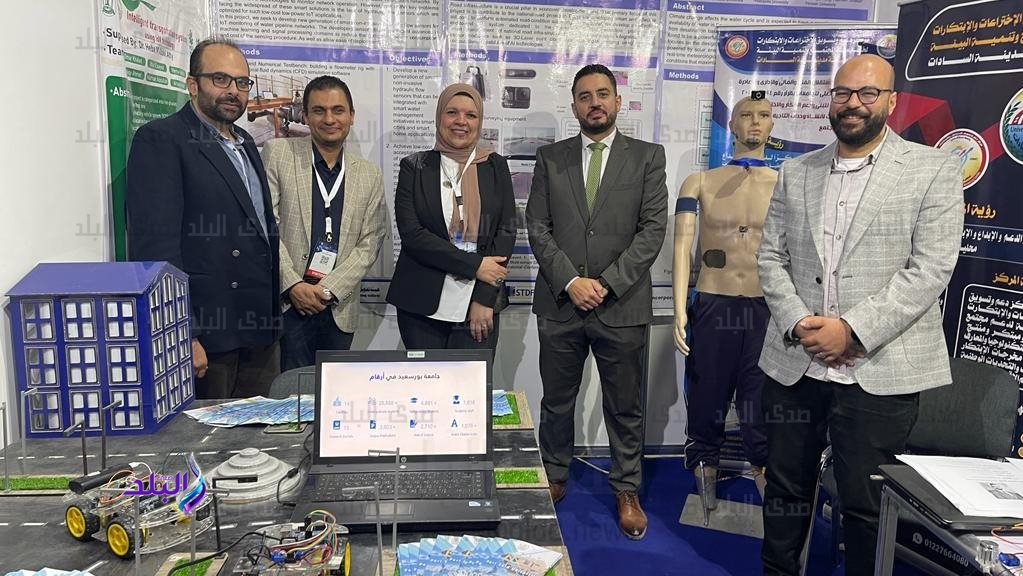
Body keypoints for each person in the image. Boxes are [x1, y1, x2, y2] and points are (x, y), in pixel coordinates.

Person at [756, 54, 964, 575]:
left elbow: (931, 268)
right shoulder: (796, 171)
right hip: (796, 361)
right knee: (784, 488)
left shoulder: (933, 169)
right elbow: (771, 257)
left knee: (866, 503)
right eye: (843, 92)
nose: (853, 103)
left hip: (880, 368)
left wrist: (852, 331)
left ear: (891, 102)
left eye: (868, 93)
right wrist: (799, 322)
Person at [526, 64, 668, 540]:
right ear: (574, 106)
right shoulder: (550, 158)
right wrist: (570, 280)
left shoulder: (647, 157)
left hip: (621, 305)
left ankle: (626, 487)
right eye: (585, 96)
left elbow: (652, 231)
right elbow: (537, 227)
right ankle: (554, 472)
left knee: (625, 406)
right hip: (560, 303)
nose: (595, 103)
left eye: (602, 94)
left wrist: (605, 283)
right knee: (556, 401)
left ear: (617, 101)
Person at [126, 38, 280, 399]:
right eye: (220, 79)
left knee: (260, 431)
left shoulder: (245, 142)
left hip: (259, 329)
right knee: (207, 432)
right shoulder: (162, 139)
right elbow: (155, 249)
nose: (233, 91)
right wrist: (184, 332)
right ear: (192, 84)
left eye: (242, 82)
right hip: (208, 337)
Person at [672, 95, 775, 513]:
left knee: (759, 401)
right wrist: (679, 309)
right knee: (706, 396)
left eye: (764, 116)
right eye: (746, 115)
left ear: (772, 125)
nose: (755, 122)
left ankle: (766, 478)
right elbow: (681, 248)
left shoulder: (785, 184)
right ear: (731, 125)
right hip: (713, 302)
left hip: (765, 307)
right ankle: (704, 470)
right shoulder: (698, 182)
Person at [262, 76, 387, 370]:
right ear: (305, 116)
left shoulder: (369, 175)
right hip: (288, 305)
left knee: (334, 393)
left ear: (351, 116)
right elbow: (266, 227)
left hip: (338, 307)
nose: (329, 119)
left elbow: (370, 242)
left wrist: (328, 289)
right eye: (319, 110)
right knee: (290, 392)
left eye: (338, 110)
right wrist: (293, 285)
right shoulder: (279, 154)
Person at [386, 84, 515, 350]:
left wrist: (485, 298)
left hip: (478, 304)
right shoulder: (414, 167)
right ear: (439, 117)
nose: (461, 121)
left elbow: (505, 231)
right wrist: (475, 265)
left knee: (473, 379)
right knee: (426, 378)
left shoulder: (496, 166)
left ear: (479, 122)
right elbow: (412, 235)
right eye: (452, 112)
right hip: (421, 306)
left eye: (471, 115)